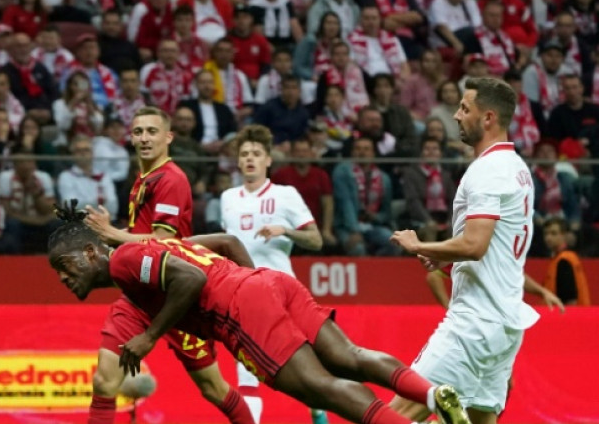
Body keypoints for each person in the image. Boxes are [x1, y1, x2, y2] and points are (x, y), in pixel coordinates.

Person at [48, 205, 472, 424]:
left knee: (318, 388)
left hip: (239, 305)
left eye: (65, 267)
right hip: (268, 283)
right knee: (351, 357)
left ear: (90, 254)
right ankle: (434, 395)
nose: (64, 279)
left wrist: (150, 336)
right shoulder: (146, 249)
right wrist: (257, 289)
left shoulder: (124, 262)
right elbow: (229, 241)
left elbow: (189, 281)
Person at [81, 106, 257, 424]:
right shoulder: (143, 179)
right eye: (138, 132)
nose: (145, 138)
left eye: (152, 131)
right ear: (131, 139)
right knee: (104, 382)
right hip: (138, 295)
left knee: (213, 388)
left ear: (168, 137)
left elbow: (163, 241)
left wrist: (114, 234)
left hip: (177, 296)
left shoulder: (172, 180)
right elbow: (141, 238)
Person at [388, 77, 539, 424]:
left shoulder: (487, 171)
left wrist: (418, 244)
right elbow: (492, 243)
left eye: (464, 108)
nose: (456, 115)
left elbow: (474, 244)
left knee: (392, 416)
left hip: (474, 325)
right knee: (477, 419)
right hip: (504, 324)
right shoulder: (517, 169)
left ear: (487, 118)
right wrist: (443, 254)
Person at [220, 125, 327, 424]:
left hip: (283, 292)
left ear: (268, 160)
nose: (250, 159)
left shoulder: (285, 195)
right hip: (242, 294)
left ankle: (318, 412)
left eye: (256, 153)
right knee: (246, 372)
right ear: (238, 161)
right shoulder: (228, 198)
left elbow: (316, 240)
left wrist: (286, 230)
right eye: (244, 154)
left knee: (303, 368)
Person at [543, 217, 591, 306]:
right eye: (546, 233)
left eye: (554, 233)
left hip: (568, 315)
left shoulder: (563, 260)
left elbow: (570, 299)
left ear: (564, 235)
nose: (548, 237)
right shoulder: (570, 257)